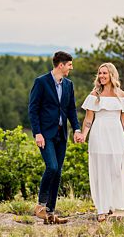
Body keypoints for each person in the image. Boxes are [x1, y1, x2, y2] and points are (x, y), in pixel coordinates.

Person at [78, 61, 124, 218]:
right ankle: (101, 209)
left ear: (111, 75)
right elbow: (88, 119)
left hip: (116, 136)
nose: (101, 76)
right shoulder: (94, 95)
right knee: (101, 171)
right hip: (99, 135)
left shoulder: (121, 95)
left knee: (115, 171)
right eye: (100, 73)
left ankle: (111, 203)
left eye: (104, 73)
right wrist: (83, 135)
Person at [25, 51, 81, 225]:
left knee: (58, 172)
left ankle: (50, 213)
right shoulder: (41, 82)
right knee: (52, 167)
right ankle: (40, 206)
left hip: (61, 134)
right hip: (45, 134)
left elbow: (71, 109)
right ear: (61, 65)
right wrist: (37, 133)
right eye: (69, 65)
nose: (71, 68)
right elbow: (33, 109)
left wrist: (77, 129)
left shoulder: (68, 85)